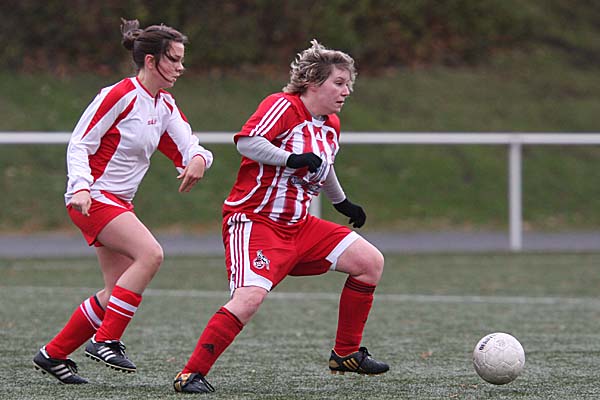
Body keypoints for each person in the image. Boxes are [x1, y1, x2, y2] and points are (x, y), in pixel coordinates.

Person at [173, 39, 388, 394]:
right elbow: (247, 142)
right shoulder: (283, 106)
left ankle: (346, 354)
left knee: (370, 262)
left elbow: (323, 166)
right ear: (313, 82)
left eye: (348, 83)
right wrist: (290, 158)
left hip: (299, 226)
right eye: (339, 82)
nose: (346, 91)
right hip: (256, 221)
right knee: (248, 299)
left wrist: (342, 202)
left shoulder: (331, 124)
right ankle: (190, 374)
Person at [32, 18, 213, 384]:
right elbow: (79, 143)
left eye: (181, 59)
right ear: (151, 61)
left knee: (115, 292)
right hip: (93, 198)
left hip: (117, 203)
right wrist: (81, 185)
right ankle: (106, 340)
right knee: (151, 254)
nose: (181, 67)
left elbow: (188, 144)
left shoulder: (164, 104)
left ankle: (53, 354)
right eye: (174, 59)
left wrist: (198, 158)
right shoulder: (119, 95)